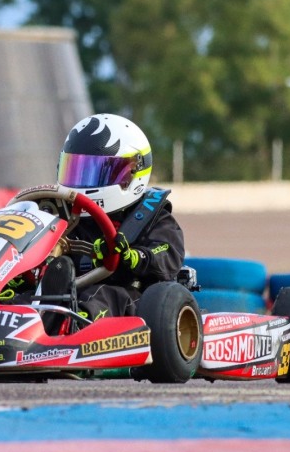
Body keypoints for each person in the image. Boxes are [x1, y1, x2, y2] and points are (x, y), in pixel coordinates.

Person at [44, 113, 186, 324]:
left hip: (130, 297)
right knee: (27, 294)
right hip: (65, 291)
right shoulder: (67, 217)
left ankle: (73, 324)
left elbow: (166, 252)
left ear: (130, 174)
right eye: (76, 170)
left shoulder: (151, 217)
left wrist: (134, 256)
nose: (82, 182)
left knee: (101, 296)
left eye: (94, 173)